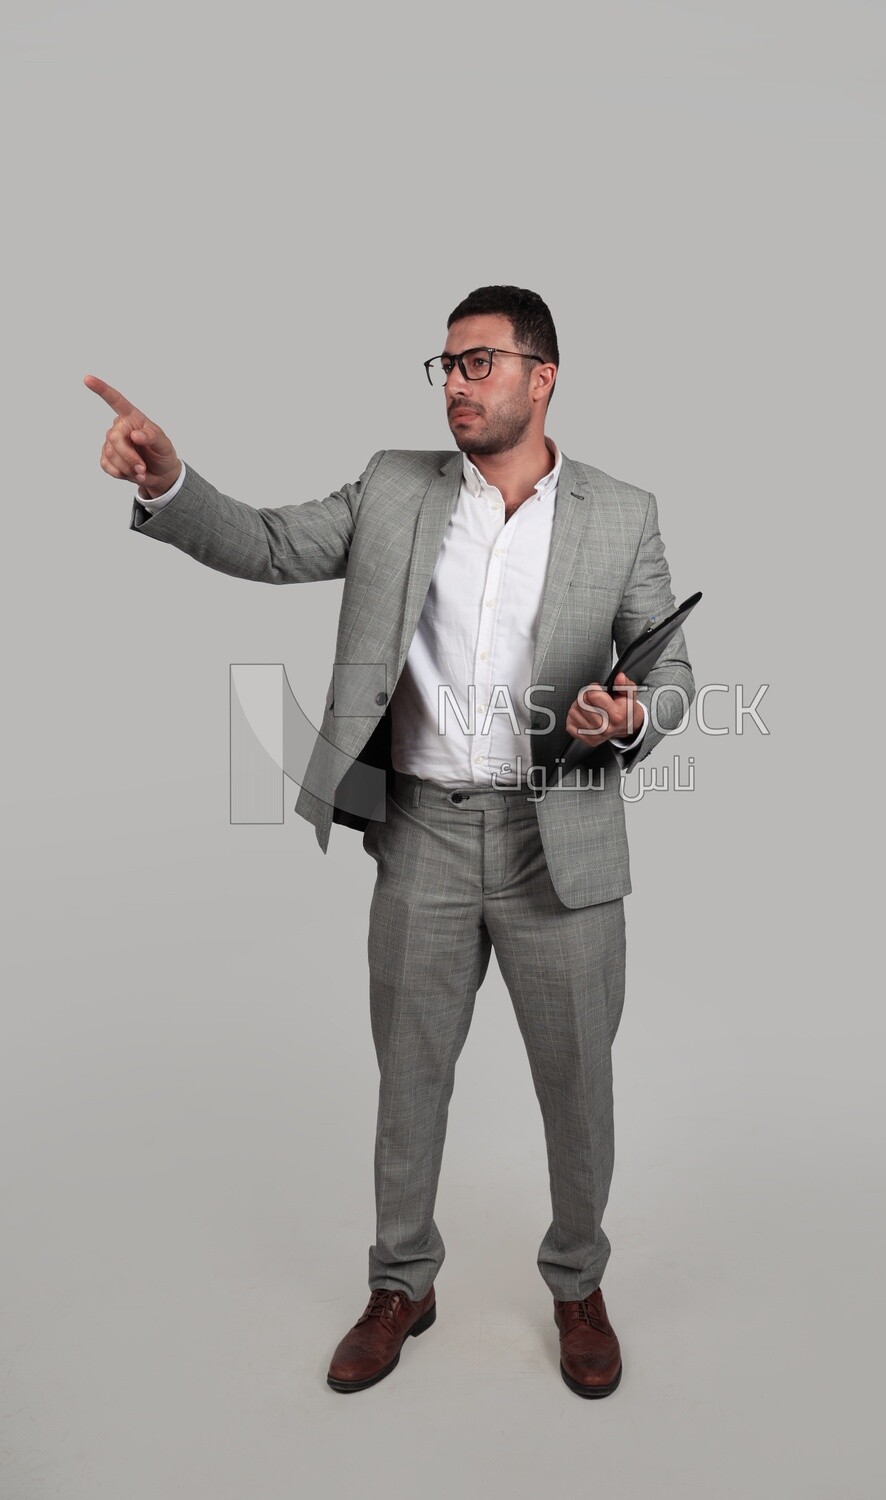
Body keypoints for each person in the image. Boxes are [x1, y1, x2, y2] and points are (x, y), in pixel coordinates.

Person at [85, 285, 695, 1400]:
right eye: (445, 366)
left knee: (576, 1083)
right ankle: (401, 1282)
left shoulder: (622, 512)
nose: (456, 384)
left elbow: (670, 673)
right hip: (420, 833)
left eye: (478, 363)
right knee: (409, 1078)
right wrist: (170, 478)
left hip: (555, 840)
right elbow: (265, 545)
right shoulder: (392, 487)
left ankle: (577, 1284)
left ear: (540, 376)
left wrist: (633, 715)